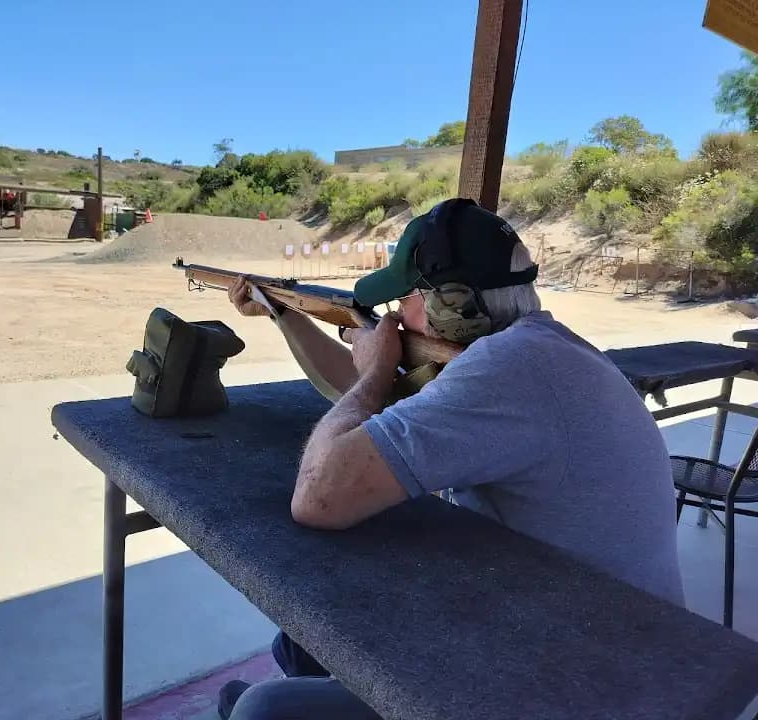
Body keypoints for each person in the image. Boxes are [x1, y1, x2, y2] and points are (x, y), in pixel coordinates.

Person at [218, 198, 685, 720]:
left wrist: (376, 368)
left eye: (407, 298)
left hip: (585, 675)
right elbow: (363, 404)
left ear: (453, 306)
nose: (394, 315)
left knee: (265, 709)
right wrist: (286, 313)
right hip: (591, 624)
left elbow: (320, 497)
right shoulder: (540, 351)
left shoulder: (506, 370)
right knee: (300, 636)